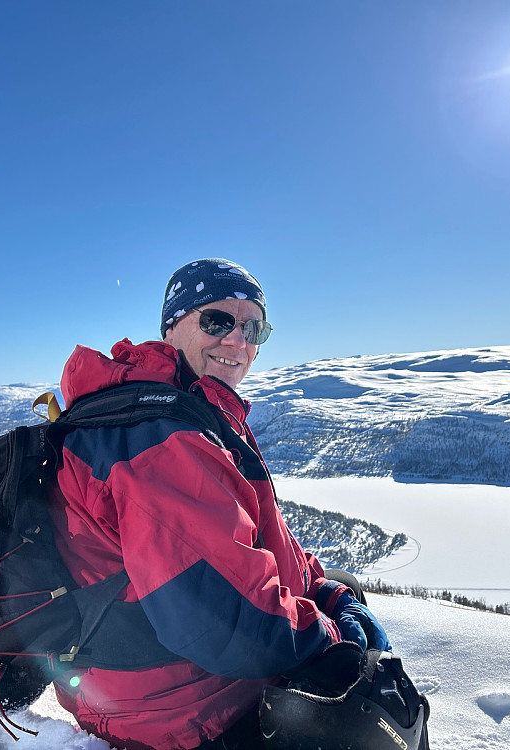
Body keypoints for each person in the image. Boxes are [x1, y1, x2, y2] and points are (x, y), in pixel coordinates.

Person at [47, 258, 391, 750]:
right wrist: (339, 639)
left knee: (342, 587)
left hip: (156, 677)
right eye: (217, 320)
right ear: (171, 328)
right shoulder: (159, 436)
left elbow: (255, 542)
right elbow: (226, 620)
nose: (237, 341)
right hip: (177, 709)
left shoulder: (188, 407)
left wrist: (325, 593)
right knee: (380, 704)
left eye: (254, 328)